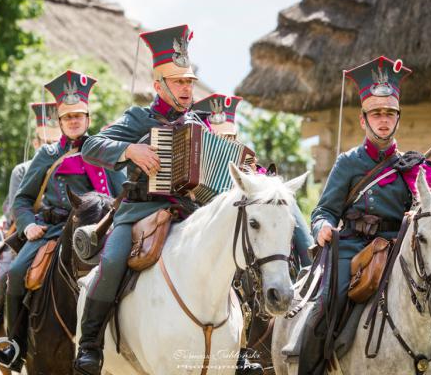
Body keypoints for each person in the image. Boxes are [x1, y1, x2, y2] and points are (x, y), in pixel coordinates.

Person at [75, 25, 312, 375]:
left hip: (191, 214)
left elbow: (237, 164)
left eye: (189, 81)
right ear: (159, 86)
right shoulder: (138, 118)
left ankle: (239, 349)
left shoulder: (200, 124)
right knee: (111, 262)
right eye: (179, 82)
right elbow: (91, 146)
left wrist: (259, 177)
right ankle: (90, 345)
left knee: (235, 266)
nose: (188, 88)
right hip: (140, 212)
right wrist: (130, 150)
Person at [311, 56, 431, 374]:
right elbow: (324, 210)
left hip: (399, 246)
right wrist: (322, 225)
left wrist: (421, 211)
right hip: (353, 248)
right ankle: (312, 364)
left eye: (390, 113)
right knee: (324, 308)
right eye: (376, 114)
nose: (383, 120)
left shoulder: (415, 166)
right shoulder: (347, 163)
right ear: (364, 120)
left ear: (398, 119)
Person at [0, 71, 124, 370]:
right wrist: (27, 225)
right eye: (68, 117)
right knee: (17, 272)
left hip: (98, 232)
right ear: (59, 122)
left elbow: (122, 196)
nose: (74, 121)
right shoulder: (48, 154)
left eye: (79, 116)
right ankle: (14, 343)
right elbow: (22, 200)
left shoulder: (106, 152)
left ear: (88, 118)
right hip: (50, 230)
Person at [0, 102, 62, 350]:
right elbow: (15, 208)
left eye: (53, 141)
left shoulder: (69, 164)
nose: (48, 147)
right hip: (25, 232)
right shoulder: (21, 170)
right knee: (2, 276)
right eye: (43, 142)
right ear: (35, 143)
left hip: (61, 228)